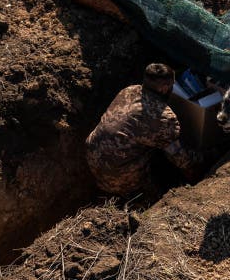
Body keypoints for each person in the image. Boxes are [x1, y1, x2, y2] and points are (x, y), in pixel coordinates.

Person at [85, 63, 203, 200]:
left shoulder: (130, 90)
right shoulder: (164, 117)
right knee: (150, 198)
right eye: (171, 85)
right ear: (165, 88)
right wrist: (201, 160)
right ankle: (138, 200)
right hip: (116, 173)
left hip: (92, 155)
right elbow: (181, 159)